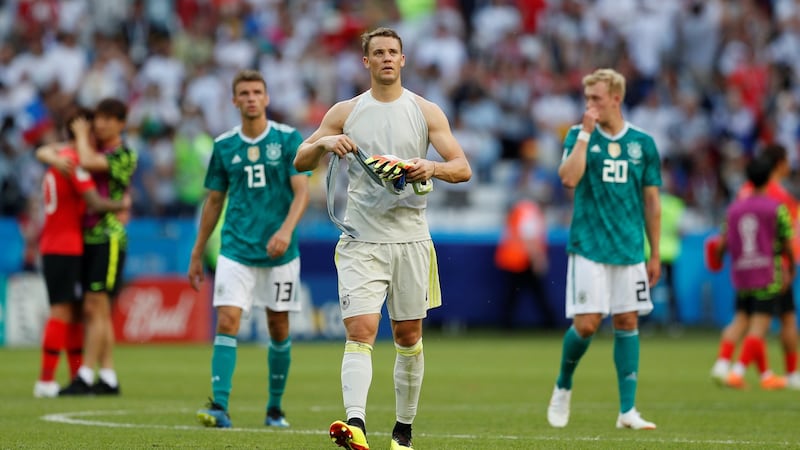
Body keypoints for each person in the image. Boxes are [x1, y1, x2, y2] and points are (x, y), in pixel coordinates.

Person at [294, 27, 472, 450]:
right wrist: (324, 142)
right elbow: (300, 159)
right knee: (360, 330)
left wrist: (430, 168)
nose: (387, 58)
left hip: (411, 239)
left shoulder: (425, 111)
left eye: (393, 52)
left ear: (403, 60)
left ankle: (403, 433)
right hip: (360, 239)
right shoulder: (346, 111)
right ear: (366, 61)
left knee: (408, 337)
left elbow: (462, 167)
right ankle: (355, 425)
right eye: (379, 52)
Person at [188, 69, 310, 429]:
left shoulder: (289, 139)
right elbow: (213, 201)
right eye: (245, 92)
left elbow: (301, 191)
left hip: (279, 252)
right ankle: (219, 406)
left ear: (267, 98)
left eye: (258, 91)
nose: (252, 98)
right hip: (236, 248)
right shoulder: (224, 145)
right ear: (234, 100)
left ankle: (274, 409)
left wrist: (286, 231)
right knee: (228, 320)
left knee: (278, 325)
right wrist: (197, 251)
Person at [546, 68, 661, 430]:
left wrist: (654, 252)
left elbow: (652, 203)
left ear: (616, 98)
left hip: (629, 247)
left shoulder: (643, 143)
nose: (590, 105)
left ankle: (627, 411)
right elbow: (568, 178)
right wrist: (583, 135)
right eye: (587, 98)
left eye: (596, 98)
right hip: (589, 245)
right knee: (587, 324)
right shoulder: (580, 136)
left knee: (628, 321)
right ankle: (563, 385)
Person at [33, 109, 128, 398]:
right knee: (63, 309)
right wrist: (121, 203)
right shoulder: (74, 162)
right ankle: (46, 380)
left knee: (75, 311)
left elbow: (43, 151)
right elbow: (95, 203)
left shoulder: (57, 159)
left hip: (57, 242)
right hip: (66, 245)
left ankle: (76, 375)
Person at [59, 98, 137, 396]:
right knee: (97, 310)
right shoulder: (95, 147)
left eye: (107, 119)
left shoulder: (125, 154)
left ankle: (85, 374)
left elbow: (86, 162)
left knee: (96, 306)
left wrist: (80, 137)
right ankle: (108, 375)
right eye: (98, 119)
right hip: (88, 236)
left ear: (121, 123)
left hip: (109, 236)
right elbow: (53, 152)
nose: (100, 124)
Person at [710, 144, 799, 389]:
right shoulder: (779, 200)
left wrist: (719, 257)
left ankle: (741, 368)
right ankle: (782, 374)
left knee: (743, 318)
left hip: (743, 270)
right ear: (778, 165)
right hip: (772, 269)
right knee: (775, 321)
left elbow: (725, 237)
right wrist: (791, 266)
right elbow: (787, 237)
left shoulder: (739, 200)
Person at [494, 197, 556, 329]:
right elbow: (529, 238)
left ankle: (506, 324)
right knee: (535, 294)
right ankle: (550, 323)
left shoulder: (522, 209)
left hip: (513, 258)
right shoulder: (530, 212)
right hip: (521, 260)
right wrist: (538, 259)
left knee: (513, 295)